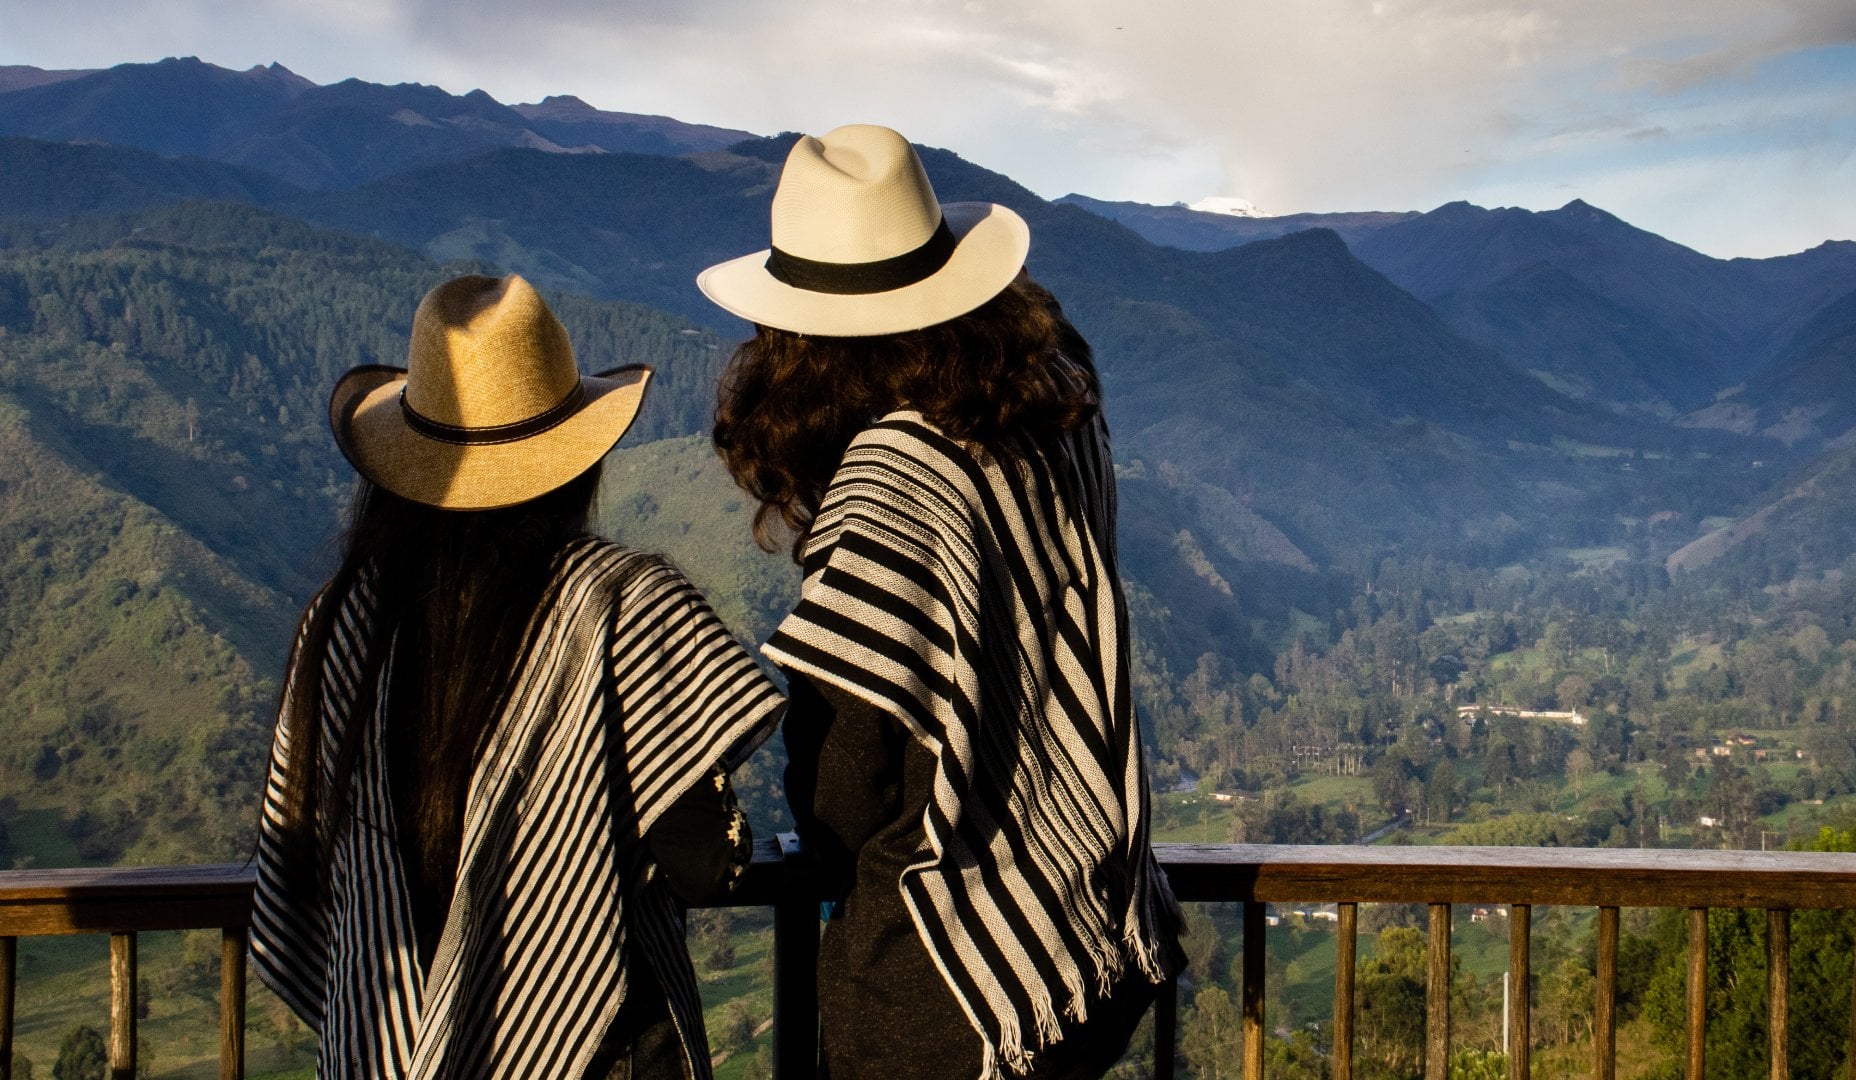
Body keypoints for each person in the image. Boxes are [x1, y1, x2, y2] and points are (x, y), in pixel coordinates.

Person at [701, 125, 1183, 1080]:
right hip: (1086, 937)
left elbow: (848, 781)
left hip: (948, 989)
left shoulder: (893, 476)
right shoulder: (1050, 414)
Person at [249, 274, 783, 1080]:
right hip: (605, 1050)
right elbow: (708, 861)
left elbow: (300, 881)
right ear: (576, 456)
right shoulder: (621, 604)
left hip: (382, 1046)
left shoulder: (341, 622)